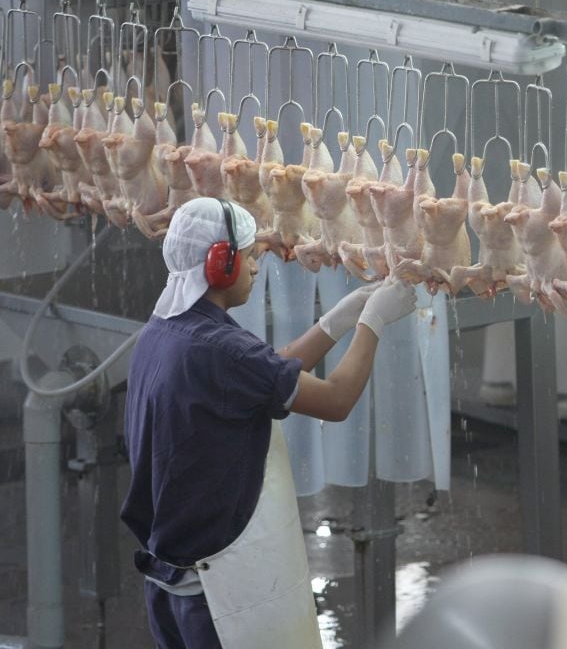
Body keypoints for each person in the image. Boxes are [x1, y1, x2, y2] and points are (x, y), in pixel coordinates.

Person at [120, 197, 417, 647]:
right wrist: (373, 323)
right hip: (219, 596)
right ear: (219, 264)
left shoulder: (162, 333)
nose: (257, 268)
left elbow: (265, 372)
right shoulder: (223, 350)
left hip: (170, 580)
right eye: (250, 256)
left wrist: (336, 321)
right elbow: (336, 400)